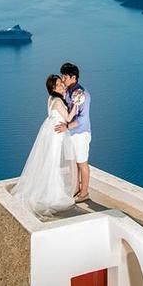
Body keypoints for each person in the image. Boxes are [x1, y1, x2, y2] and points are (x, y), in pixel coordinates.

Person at [11, 75, 79, 217]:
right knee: (54, 162)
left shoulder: (51, 98)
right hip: (57, 135)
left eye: (61, 83)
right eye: (59, 84)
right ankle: (53, 192)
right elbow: (68, 118)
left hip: (50, 131)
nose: (62, 85)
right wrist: (77, 103)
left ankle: (49, 188)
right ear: (53, 88)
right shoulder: (59, 102)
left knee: (49, 160)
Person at [55, 62, 91, 202]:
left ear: (73, 77)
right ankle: (76, 188)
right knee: (74, 162)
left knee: (82, 163)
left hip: (81, 133)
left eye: (65, 76)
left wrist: (67, 127)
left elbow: (82, 119)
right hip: (72, 133)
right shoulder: (69, 91)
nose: (62, 79)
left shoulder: (82, 94)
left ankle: (84, 192)